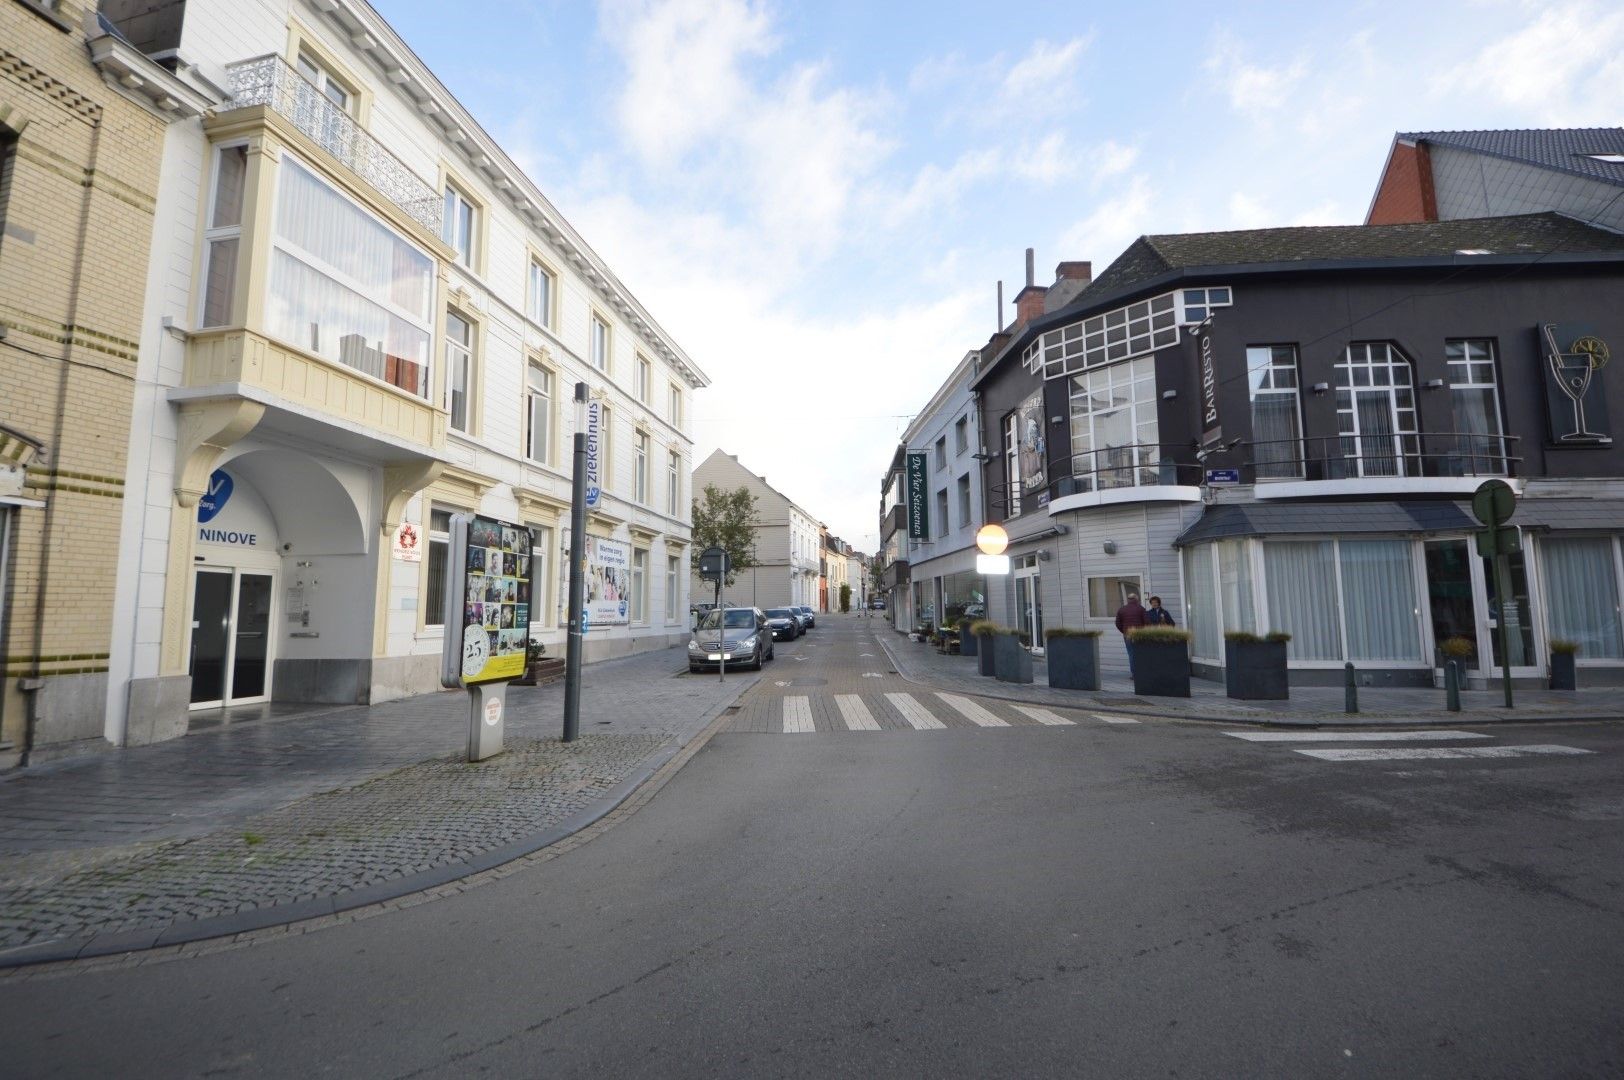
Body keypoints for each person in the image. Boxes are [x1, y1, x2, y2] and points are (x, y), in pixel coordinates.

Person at [1115, 592, 1148, 676]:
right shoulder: (1141, 609)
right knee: (1140, 653)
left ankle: (1134, 674)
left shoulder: (1122, 609)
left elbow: (1118, 623)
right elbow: (1147, 622)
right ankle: (1141, 672)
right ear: (1136, 599)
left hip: (1128, 635)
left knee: (1131, 654)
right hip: (1139, 635)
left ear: (1128, 600)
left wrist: (1124, 631)